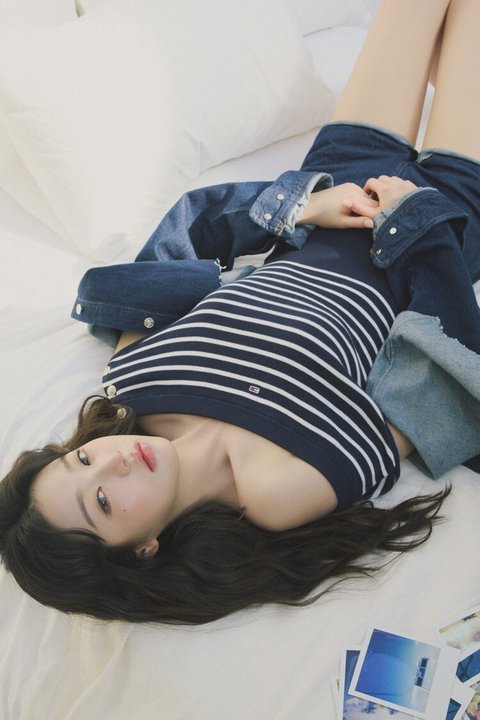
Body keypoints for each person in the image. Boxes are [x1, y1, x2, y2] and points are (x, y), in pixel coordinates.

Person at [1, 0, 480, 625]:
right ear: (142, 551)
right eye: (103, 503)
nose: (113, 461)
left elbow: (183, 237)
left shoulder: (129, 380)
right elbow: (438, 383)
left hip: (335, 182)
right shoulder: (279, 494)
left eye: (83, 460)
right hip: (436, 226)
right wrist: (412, 225)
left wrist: (299, 207)